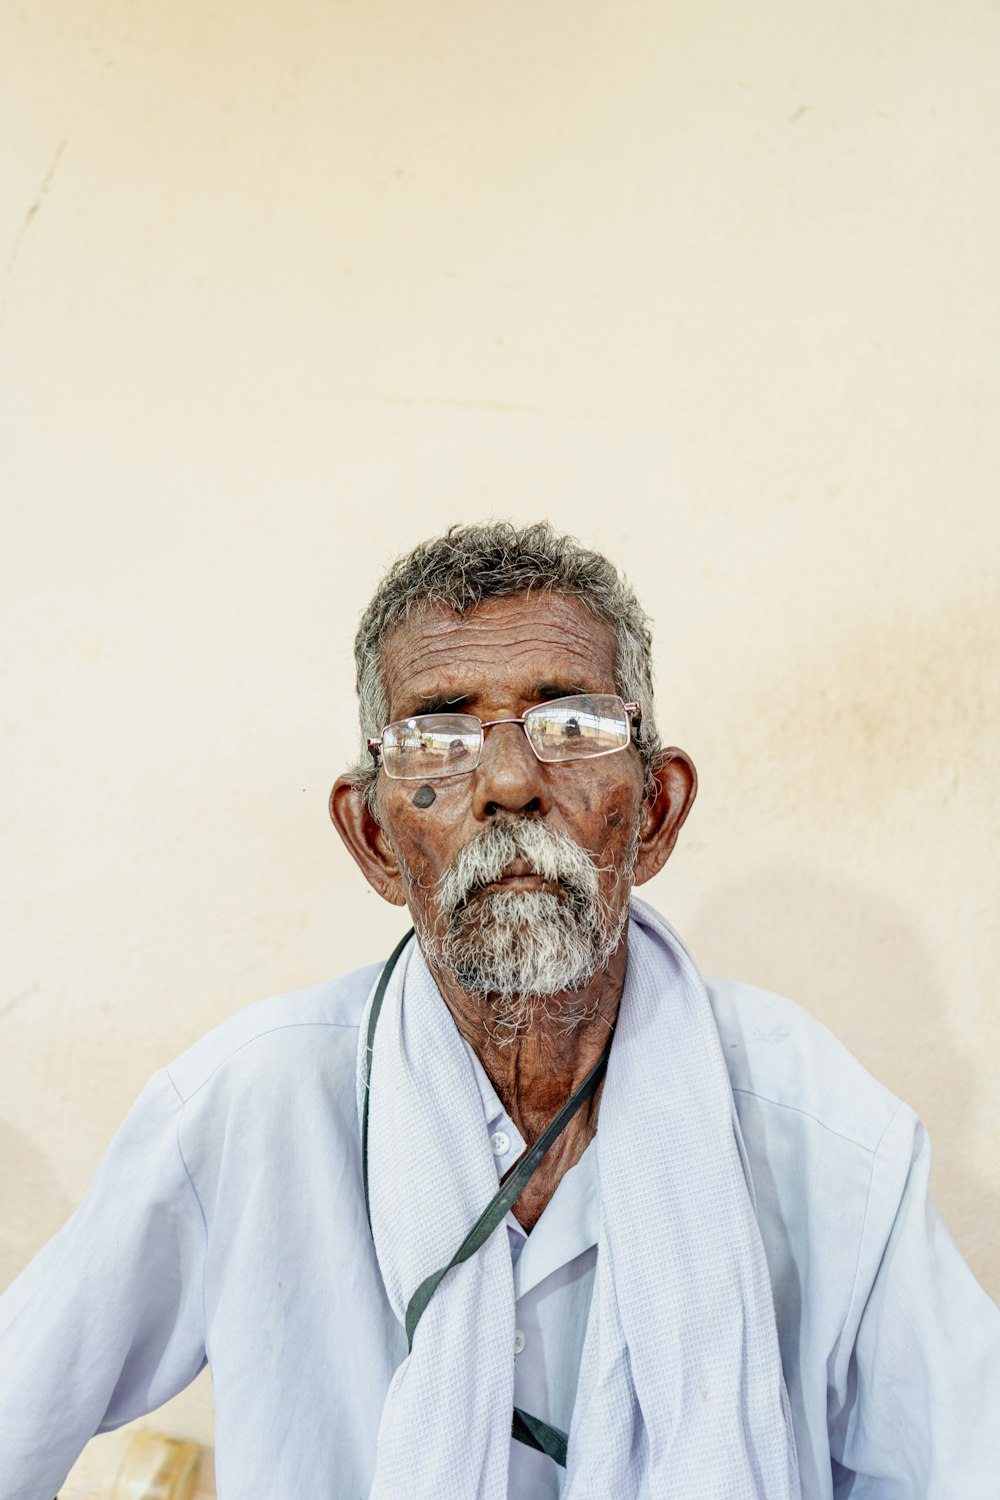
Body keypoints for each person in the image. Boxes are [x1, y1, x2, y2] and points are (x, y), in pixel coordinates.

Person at [1, 521, 998, 1500]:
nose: (511, 783)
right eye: (438, 736)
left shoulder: (825, 1140)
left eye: (569, 726)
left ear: (655, 814)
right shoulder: (244, 1108)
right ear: (373, 838)